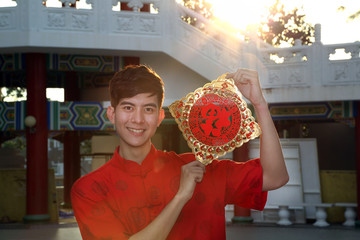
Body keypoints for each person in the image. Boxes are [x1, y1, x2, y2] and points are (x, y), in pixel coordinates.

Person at [71, 65, 289, 240]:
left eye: (148, 109)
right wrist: (181, 197)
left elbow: (275, 176)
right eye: (128, 107)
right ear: (112, 114)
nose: (137, 119)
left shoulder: (201, 168)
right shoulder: (90, 190)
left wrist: (259, 105)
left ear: (159, 117)